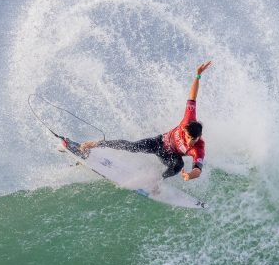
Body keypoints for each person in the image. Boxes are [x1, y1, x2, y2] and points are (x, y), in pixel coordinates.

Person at [80, 61, 211, 181]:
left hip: (171, 156)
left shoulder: (198, 148)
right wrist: (197, 75)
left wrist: (189, 175)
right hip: (159, 142)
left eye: (193, 139)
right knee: (132, 146)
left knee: (178, 165)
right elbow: (192, 96)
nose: (190, 142)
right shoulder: (188, 119)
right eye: (188, 137)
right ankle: (95, 144)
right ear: (185, 129)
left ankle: (157, 181)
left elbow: (197, 170)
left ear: (199, 136)